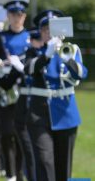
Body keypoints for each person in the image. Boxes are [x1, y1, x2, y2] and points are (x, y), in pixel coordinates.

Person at [25, 10, 87, 181]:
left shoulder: (72, 50)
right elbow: (28, 69)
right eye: (46, 29)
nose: (50, 33)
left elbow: (81, 74)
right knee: (45, 162)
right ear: (41, 32)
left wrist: (67, 59)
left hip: (66, 114)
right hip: (39, 115)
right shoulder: (34, 52)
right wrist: (47, 54)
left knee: (63, 167)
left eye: (54, 28)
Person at [0, 0, 31, 180]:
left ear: (24, 16)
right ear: (8, 17)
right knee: (7, 132)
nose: (16, 18)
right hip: (6, 90)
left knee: (23, 133)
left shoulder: (30, 36)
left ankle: (19, 172)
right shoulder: (0, 37)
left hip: (26, 90)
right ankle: (10, 173)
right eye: (13, 15)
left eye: (20, 15)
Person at [0, 27, 43, 181]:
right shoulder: (27, 57)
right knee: (27, 148)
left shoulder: (43, 58)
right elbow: (7, 84)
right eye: (35, 40)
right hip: (24, 111)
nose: (36, 43)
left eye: (38, 40)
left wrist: (21, 67)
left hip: (41, 111)